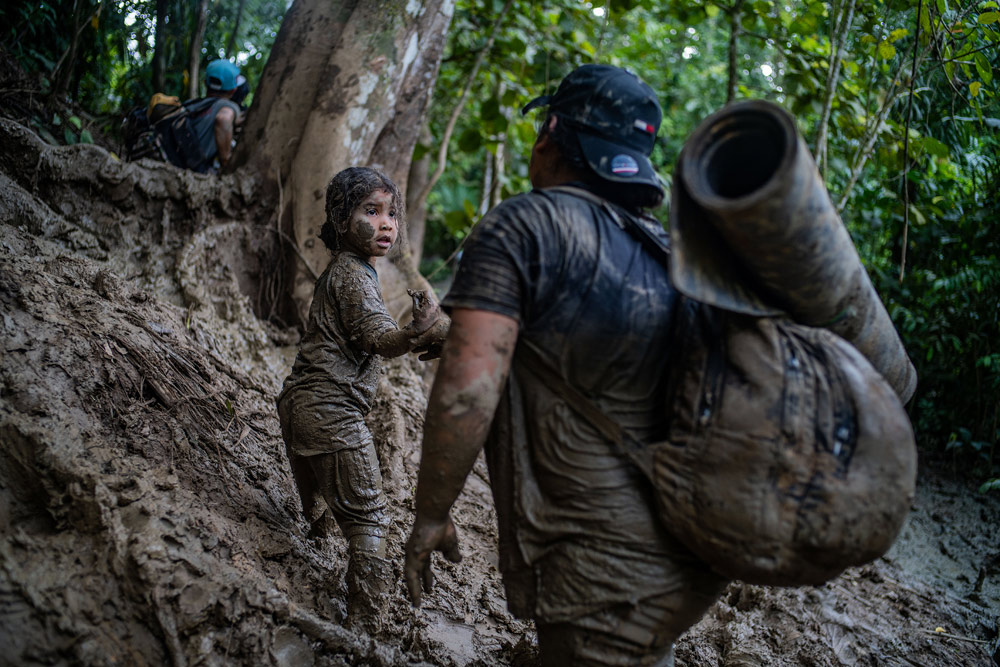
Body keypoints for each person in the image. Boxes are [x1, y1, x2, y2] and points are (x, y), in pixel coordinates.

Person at [404, 65, 727, 665]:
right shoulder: (674, 255)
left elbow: (466, 393)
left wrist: (431, 513)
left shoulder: (524, 226)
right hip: (690, 555)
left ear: (549, 134)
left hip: (597, 567)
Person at [277, 166, 441, 628]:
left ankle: (303, 566)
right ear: (341, 219)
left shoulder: (353, 271)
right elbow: (378, 338)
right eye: (372, 211)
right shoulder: (352, 275)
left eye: (392, 213)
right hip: (331, 414)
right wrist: (415, 330)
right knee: (369, 519)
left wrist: (428, 334)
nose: (387, 223)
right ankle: (365, 627)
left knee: (324, 513)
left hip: (300, 406)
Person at [188, 59, 242, 171]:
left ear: (205, 83)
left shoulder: (191, 105)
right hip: (194, 171)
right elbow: (223, 119)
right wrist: (226, 161)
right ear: (233, 90)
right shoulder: (228, 106)